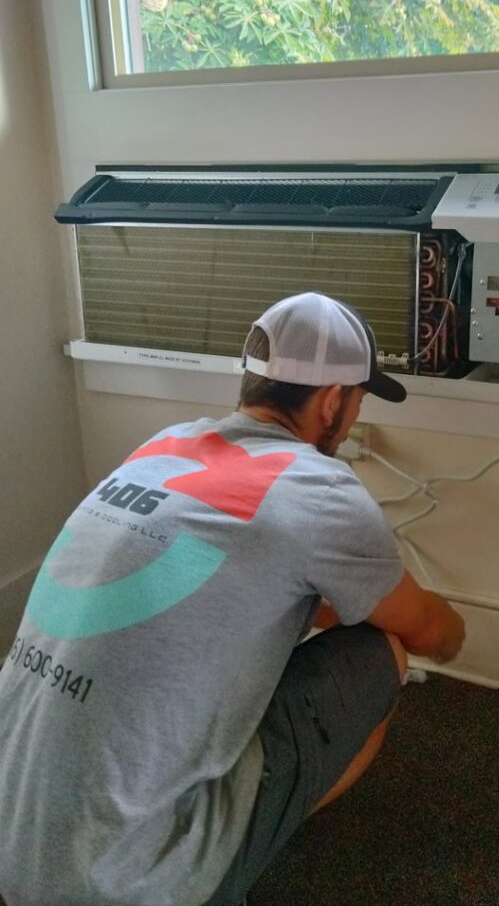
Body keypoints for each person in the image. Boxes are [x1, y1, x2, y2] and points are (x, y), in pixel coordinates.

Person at [0, 291, 465, 906]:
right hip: (125, 883)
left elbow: (241, 597)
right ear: (332, 402)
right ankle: (240, 847)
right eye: (355, 400)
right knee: (382, 654)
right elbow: (433, 634)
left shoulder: (162, 449)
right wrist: (457, 626)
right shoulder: (319, 489)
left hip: (11, 836)